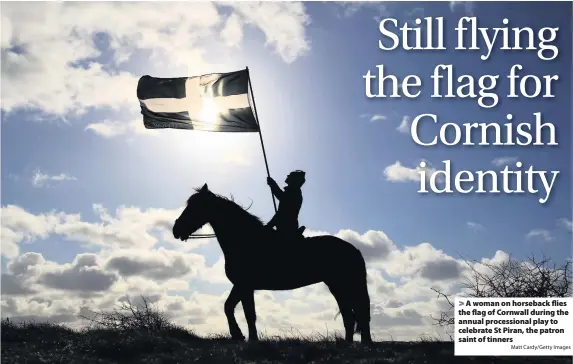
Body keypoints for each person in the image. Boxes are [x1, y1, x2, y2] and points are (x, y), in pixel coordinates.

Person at [266, 170, 306, 240]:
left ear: (294, 180)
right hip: (285, 228)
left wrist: (272, 184)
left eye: (289, 176)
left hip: (287, 230)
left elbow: (282, 212)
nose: (287, 176)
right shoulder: (293, 192)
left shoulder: (294, 192)